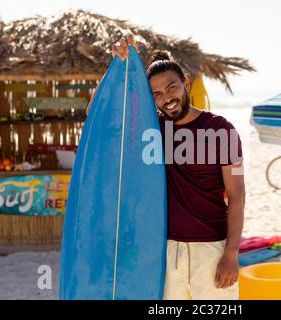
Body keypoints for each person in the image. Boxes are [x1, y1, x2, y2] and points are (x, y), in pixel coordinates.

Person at [86, 35, 245, 300]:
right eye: (157, 94)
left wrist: (231, 254)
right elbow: (96, 116)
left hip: (212, 249)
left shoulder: (222, 130)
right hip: (164, 252)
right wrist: (115, 65)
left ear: (186, 83)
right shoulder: (150, 129)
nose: (167, 98)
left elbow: (237, 194)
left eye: (172, 88)